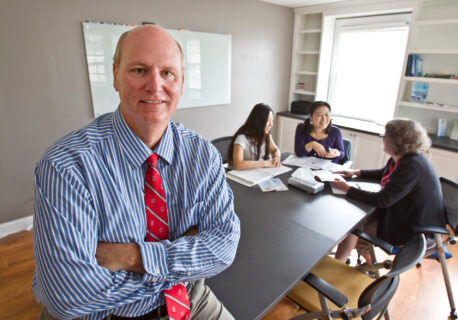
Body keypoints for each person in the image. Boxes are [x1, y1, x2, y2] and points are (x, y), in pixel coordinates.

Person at [33, 25, 240, 320]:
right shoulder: (67, 165)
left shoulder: (202, 154)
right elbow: (68, 297)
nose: (155, 86)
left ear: (181, 83)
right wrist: (186, 250)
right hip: (106, 315)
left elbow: (223, 247)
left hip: (190, 300)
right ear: (116, 75)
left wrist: (132, 256)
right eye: (140, 70)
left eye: (168, 73)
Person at [332, 119, 446, 264]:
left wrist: (347, 188)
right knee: (358, 218)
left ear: (395, 142)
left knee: (354, 225)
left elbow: (382, 200)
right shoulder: (404, 157)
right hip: (401, 212)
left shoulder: (411, 167)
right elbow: (384, 173)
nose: (382, 139)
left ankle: (340, 265)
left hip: (413, 230)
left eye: (384, 136)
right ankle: (364, 263)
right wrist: (356, 172)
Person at [227, 103, 281, 170]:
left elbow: (275, 150)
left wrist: (276, 158)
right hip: (236, 177)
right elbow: (238, 165)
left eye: (272, 121)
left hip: (255, 174)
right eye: (268, 121)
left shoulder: (266, 136)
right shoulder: (241, 138)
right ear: (259, 121)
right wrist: (265, 163)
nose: (271, 124)